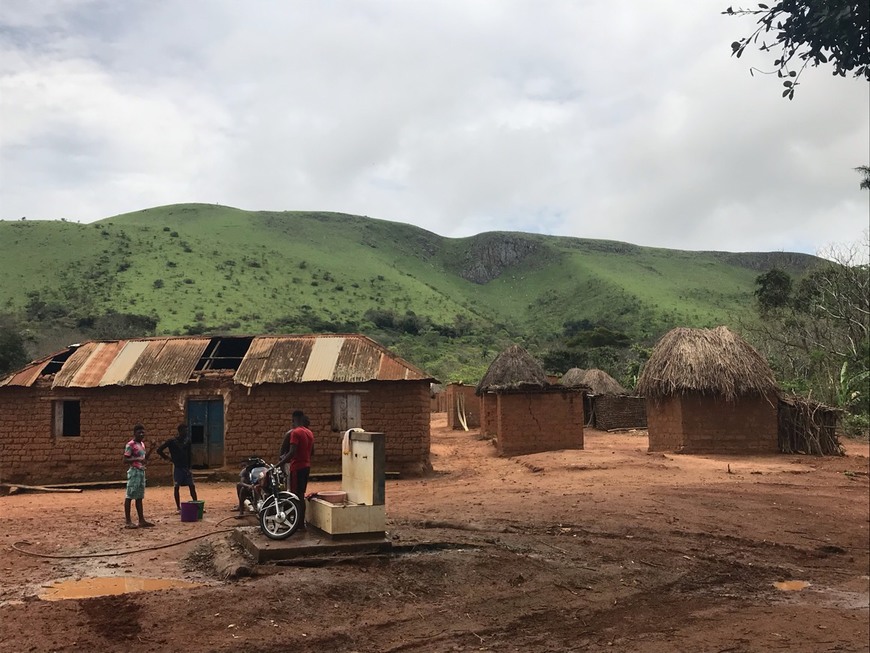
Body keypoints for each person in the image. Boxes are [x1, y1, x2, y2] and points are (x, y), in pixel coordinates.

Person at [278, 410, 314, 526]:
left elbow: (291, 452)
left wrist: (279, 464)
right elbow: (312, 452)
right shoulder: (309, 432)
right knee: (301, 494)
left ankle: (297, 523)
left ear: (293, 420)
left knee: (294, 495)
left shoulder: (295, 433)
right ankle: (300, 523)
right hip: (306, 466)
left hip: (296, 467)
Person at [156, 423, 198, 512]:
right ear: (179, 431)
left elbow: (189, 454)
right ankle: (178, 507)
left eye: (187, 430)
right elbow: (159, 450)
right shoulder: (172, 441)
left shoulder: (187, 441)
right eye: (184, 430)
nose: (186, 432)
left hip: (186, 467)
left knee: (192, 486)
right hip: (177, 467)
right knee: (176, 487)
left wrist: (190, 467)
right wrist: (168, 458)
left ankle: (196, 504)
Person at [123, 424, 155, 529]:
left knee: (139, 497)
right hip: (134, 472)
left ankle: (141, 520)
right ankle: (128, 521)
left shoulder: (141, 444)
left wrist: (151, 449)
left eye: (143, 432)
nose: (141, 434)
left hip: (141, 471)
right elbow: (125, 460)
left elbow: (144, 459)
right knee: (129, 496)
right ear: (134, 433)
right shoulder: (130, 445)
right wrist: (137, 460)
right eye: (139, 432)